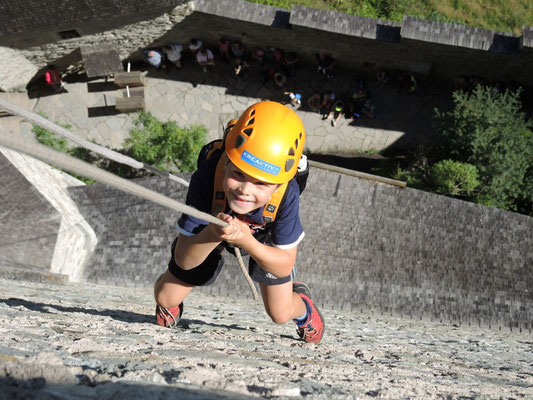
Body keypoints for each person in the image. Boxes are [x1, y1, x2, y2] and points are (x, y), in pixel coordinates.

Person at [153, 101, 325, 344]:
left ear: (278, 184)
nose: (245, 190)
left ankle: (304, 309)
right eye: (238, 174)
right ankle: (171, 305)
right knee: (165, 297)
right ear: (227, 163)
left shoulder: (287, 193)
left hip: (262, 237)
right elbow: (183, 258)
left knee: (280, 313)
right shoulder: (208, 176)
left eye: (261, 183)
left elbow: (284, 264)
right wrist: (213, 233)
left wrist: (247, 240)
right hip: (213, 227)